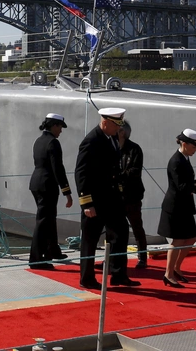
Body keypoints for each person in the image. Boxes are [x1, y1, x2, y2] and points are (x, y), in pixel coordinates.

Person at [74, 107, 139, 289]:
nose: (118, 130)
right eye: (115, 125)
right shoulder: (91, 141)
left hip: (111, 199)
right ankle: (87, 279)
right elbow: (81, 173)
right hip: (94, 200)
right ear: (105, 122)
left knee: (121, 232)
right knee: (90, 240)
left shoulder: (110, 138)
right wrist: (86, 203)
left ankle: (118, 274)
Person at [157, 128, 196, 288]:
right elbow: (181, 186)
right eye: (194, 147)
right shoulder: (176, 161)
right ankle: (168, 274)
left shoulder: (184, 158)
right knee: (177, 241)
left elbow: (187, 184)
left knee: (191, 238)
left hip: (185, 206)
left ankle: (176, 267)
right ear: (184, 144)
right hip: (176, 207)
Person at [28, 113, 74, 269]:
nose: (61, 131)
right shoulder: (53, 143)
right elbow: (58, 169)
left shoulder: (38, 141)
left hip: (36, 183)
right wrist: (67, 192)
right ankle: (36, 259)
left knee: (49, 218)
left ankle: (53, 250)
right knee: (43, 222)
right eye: (60, 127)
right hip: (47, 185)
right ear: (54, 125)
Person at [119, 120, 148, 270]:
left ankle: (142, 257)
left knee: (137, 227)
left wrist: (117, 176)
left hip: (132, 196)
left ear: (122, 132)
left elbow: (135, 172)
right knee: (114, 230)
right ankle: (114, 259)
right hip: (116, 196)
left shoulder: (134, 149)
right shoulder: (112, 148)